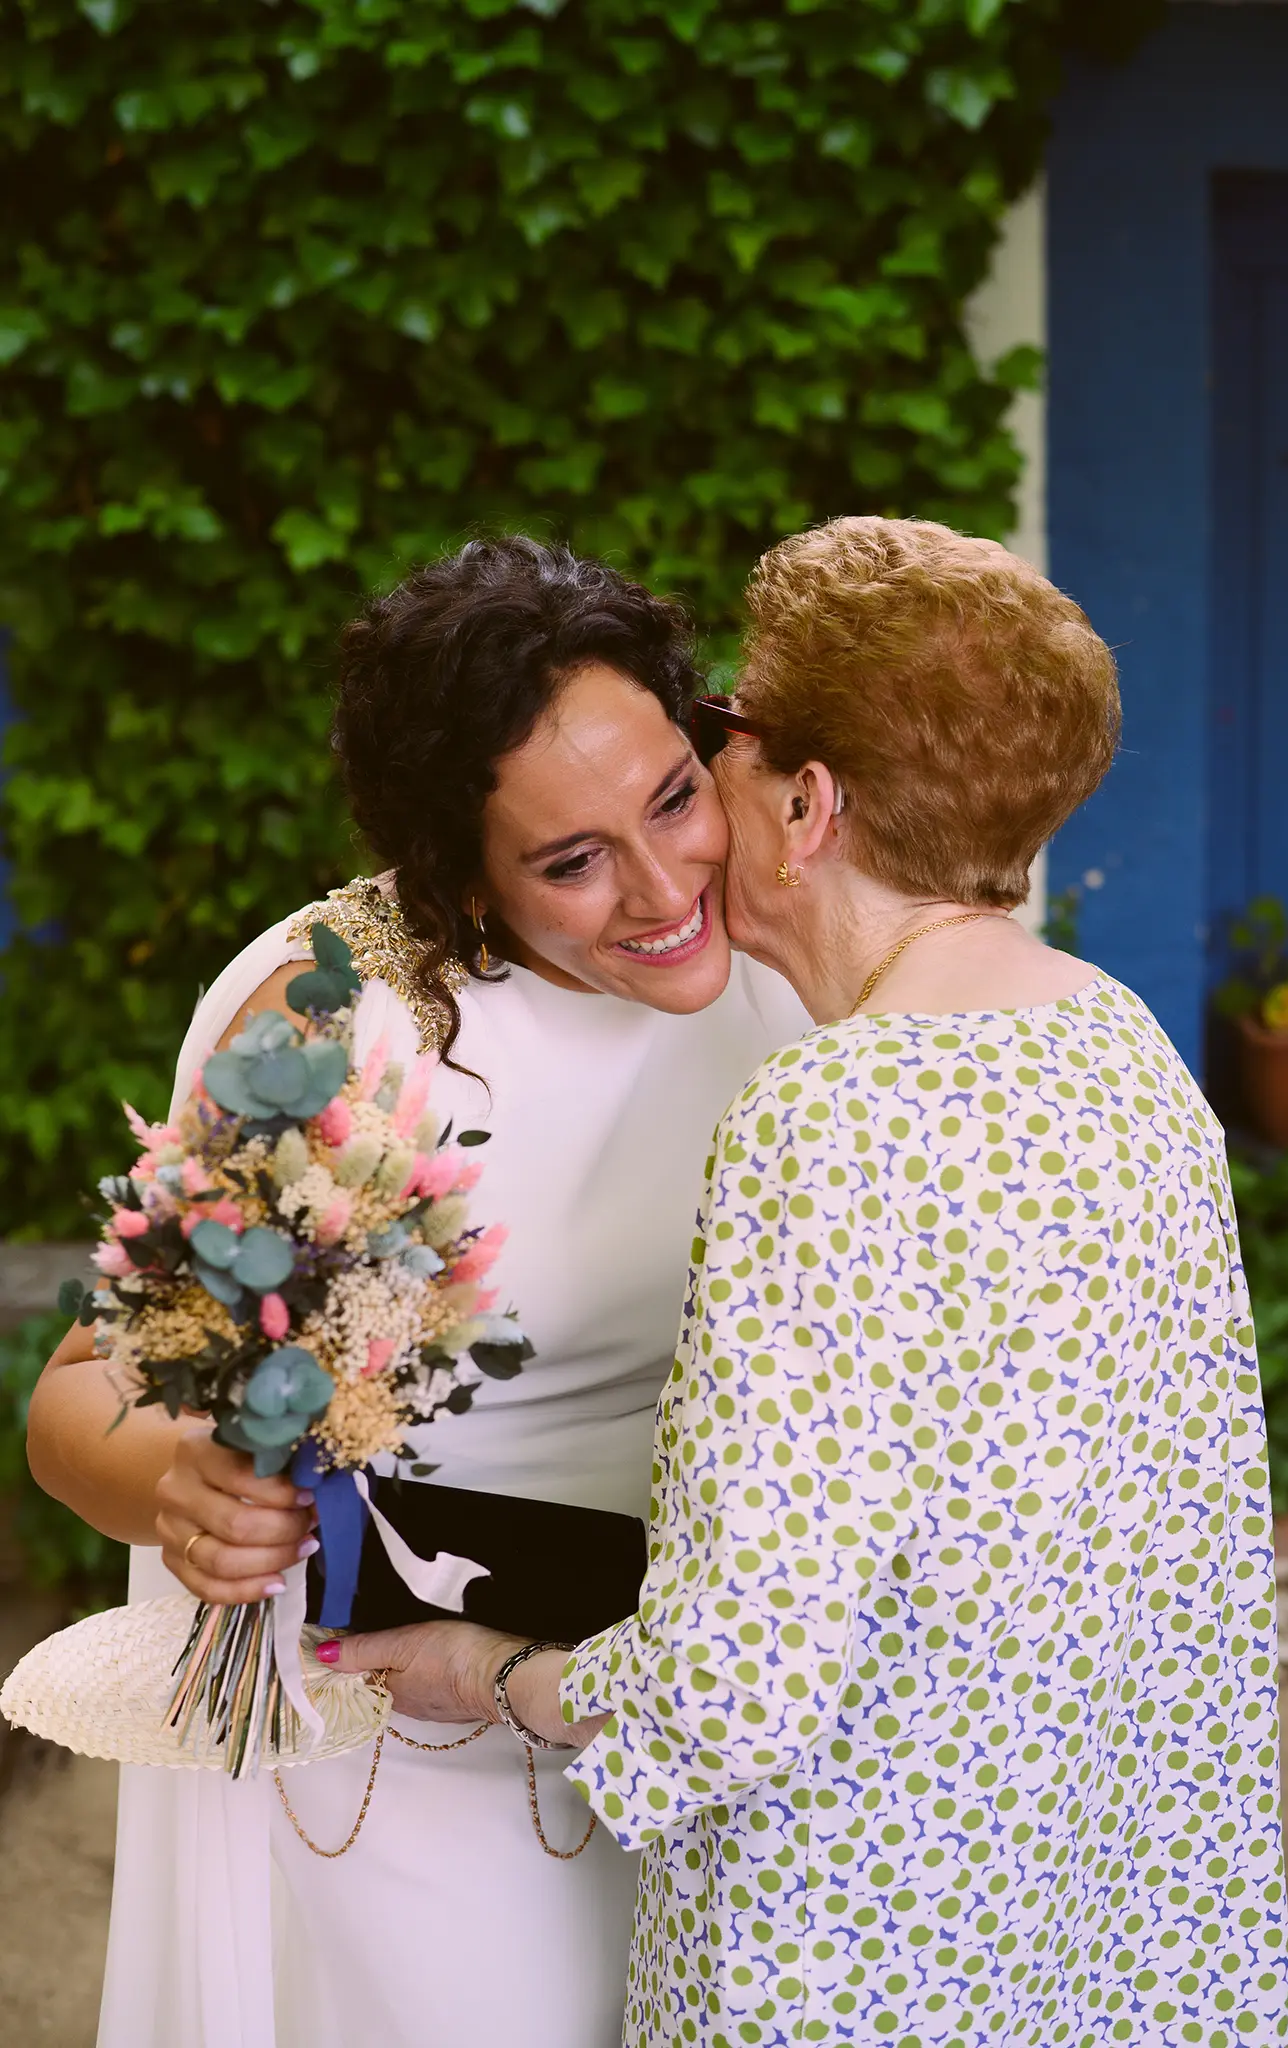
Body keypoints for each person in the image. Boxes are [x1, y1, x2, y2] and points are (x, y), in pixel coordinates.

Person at [335, 518, 1288, 2048]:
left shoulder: (832, 1116)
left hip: (856, 1941)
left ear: (807, 799)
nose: (704, 771)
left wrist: (489, 1670)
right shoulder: (1120, 1042)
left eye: (723, 731)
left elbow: (736, 1684)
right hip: (1095, 1915)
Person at [26, 537, 808, 2048]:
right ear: (458, 875)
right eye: (570, 862)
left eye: (673, 797)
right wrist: (188, 1488)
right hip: (408, 1748)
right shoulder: (339, 1025)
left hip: (699, 1706)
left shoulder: (800, 938)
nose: (665, 889)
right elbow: (79, 1405)